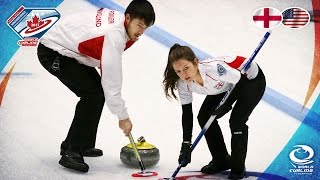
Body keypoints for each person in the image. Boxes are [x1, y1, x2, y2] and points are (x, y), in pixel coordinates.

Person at [37, 0, 155, 173]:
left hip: (70, 49)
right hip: (53, 51)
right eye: (139, 25)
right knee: (92, 94)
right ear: (128, 18)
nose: (141, 32)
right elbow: (111, 81)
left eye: (145, 28)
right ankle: (72, 152)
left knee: (96, 92)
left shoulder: (124, 27)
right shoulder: (114, 35)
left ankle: (80, 144)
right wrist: (123, 117)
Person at [162, 44, 266, 179]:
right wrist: (186, 144)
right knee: (204, 117)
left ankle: (238, 167)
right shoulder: (183, 84)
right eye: (178, 71)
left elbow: (240, 81)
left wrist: (226, 105)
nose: (184, 74)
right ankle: (221, 160)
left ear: (195, 62)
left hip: (249, 79)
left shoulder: (215, 70)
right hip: (224, 85)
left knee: (236, 121)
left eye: (186, 68)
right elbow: (187, 113)